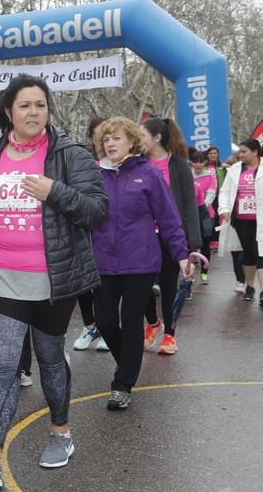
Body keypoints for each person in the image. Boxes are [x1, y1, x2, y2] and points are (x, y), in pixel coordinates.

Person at [0, 75, 107, 488]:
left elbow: (96, 211)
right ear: (9, 112)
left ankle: (61, 432)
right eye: (25, 105)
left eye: (40, 105)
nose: (33, 112)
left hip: (51, 281)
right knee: (5, 367)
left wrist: (54, 191)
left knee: (50, 358)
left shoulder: (69, 156)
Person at [89, 118, 189, 411]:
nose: (110, 144)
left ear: (132, 141)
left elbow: (169, 217)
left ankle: (122, 385)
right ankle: (129, 365)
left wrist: (182, 254)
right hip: (103, 261)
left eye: (116, 138)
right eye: (106, 139)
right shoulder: (95, 174)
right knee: (105, 321)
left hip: (141, 261)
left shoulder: (148, 174)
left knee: (132, 321)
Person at [138, 117, 201, 355]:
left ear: (157, 138)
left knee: (168, 287)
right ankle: (153, 323)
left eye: (142, 136)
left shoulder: (179, 166)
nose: (138, 140)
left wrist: (193, 244)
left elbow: (190, 206)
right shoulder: (137, 164)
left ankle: (170, 335)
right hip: (142, 236)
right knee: (141, 286)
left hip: (171, 237)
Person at [216, 138, 263, 306]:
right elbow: (225, 191)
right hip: (241, 219)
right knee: (248, 254)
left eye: (244, 151)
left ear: (255, 152)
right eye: (239, 151)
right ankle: (250, 287)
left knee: (262, 252)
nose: (240, 154)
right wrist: (224, 209)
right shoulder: (234, 169)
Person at [72, 116, 108, 353]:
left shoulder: (120, 164)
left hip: (107, 233)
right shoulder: (81, 160)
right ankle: (90, 326)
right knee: (83, 285)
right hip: (82, 232)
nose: (102, 140)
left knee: (104, 286)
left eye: (107, 135)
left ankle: (106, 329)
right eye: (97, 135)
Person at [189, 149, 217, 284]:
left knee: (206, 244)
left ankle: (204, 273)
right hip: (189, 216)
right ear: (191, 162)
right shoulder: (187, 175)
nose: (198, 164)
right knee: (191, 244)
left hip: (206, 215)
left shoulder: (210, 175)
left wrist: (201, 206)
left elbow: (211, 194)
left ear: (205, 162)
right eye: (195, 162)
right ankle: (190, 272)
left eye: (201, 162)